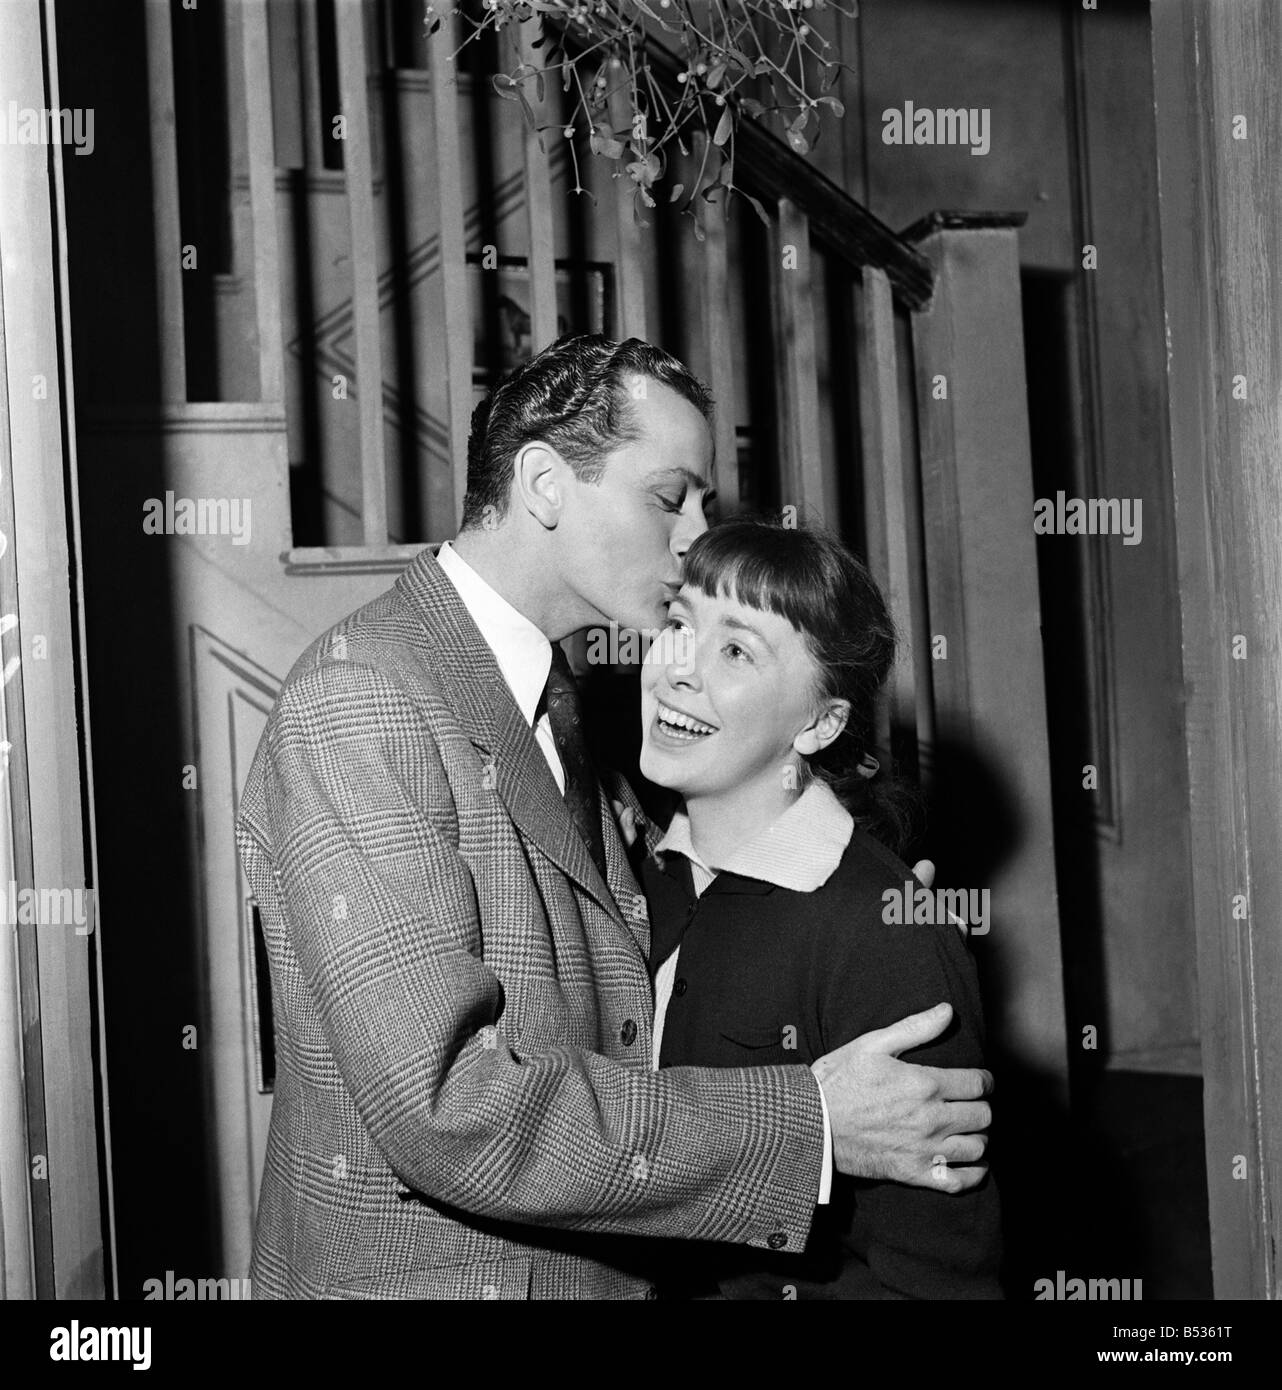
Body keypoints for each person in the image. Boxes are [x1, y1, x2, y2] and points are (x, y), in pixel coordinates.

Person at [235, 333, 992, 1300]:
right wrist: (812, 1121)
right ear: (546, 484)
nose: (695, 536)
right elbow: (449, 1108)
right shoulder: (364, 702)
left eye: (704, 505)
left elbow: (700, 858)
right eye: (668, 497)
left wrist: (865, 908)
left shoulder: (554, 691)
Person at [638, 519, 1002, 1298]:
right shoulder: (632, 874)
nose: (676, 671)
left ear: (821, 722)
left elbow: (943, 1282)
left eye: (736, 650)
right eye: (678, 626)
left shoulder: (885, 929)